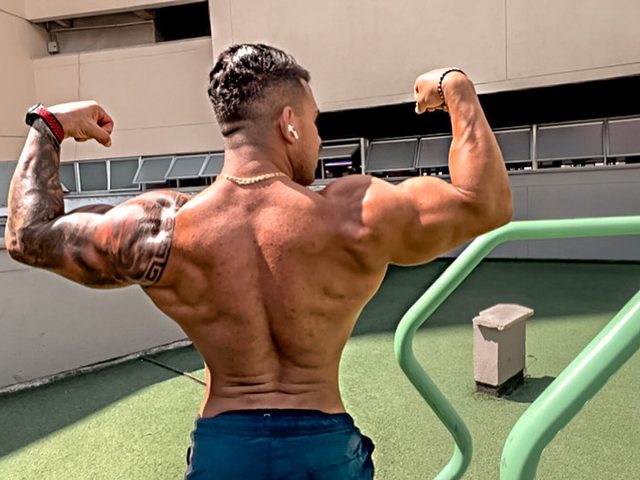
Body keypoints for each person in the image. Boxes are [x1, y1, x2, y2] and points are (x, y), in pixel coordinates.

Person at [5, 43, 512, 479]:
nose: (318, 137)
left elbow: (27, 236)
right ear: (289, 123)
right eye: (314, 122)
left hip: (226, 452)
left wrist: (48, 127)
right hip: (323, 451)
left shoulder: (160, 230)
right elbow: (483, 202)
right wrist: (457, 89)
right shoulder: (353, 214)